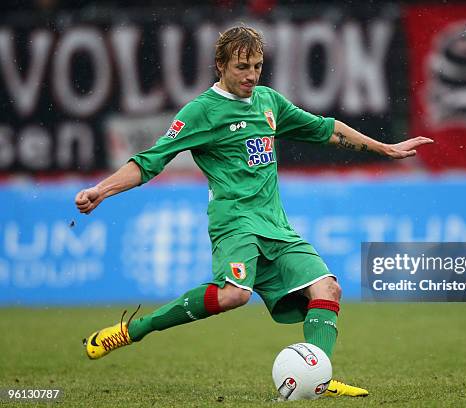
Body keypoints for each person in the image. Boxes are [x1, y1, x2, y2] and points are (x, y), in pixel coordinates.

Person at [76, 25, 432, 398]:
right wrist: (102, 190)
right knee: (234, 295)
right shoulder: (201, 112)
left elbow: (327, 129)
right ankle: (135, 330)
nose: (251, 75)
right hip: (235, 223)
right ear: (220, 65)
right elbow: (149, 160)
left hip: (275, 226)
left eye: (258, 66)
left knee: (327, 288)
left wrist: (386, 149)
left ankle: (319, 377)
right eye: (242, 67)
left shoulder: (268, 102)